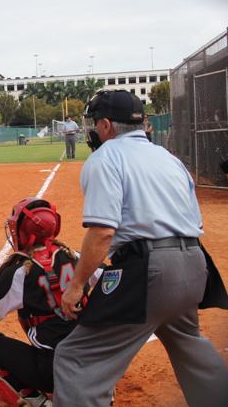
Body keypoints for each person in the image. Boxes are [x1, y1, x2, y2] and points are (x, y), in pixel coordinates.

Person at [55, 90, 228, 407]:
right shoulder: (169, 158)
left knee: (75, 358)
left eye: (95, 123)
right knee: (191, 348)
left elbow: (103, 232)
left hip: (151, 269)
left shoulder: (105, 158)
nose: (92, 130)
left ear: (106, 125)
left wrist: (77, 285)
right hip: (195, 263)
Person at [0, 198, 99, 407]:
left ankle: (37, 402)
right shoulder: (76, 256)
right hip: (100, 364)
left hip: (56, 371)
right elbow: (111, 278)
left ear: (21, 230)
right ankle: (100, 387)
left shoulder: (18, 270)